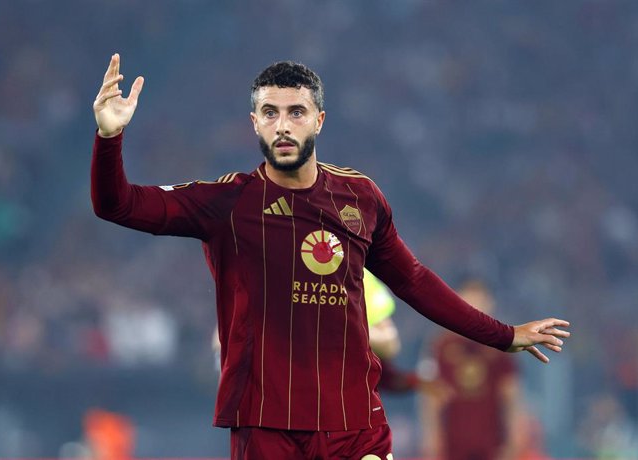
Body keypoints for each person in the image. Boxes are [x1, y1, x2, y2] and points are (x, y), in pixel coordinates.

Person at [91, 54, 570, 460]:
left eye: (296, 112)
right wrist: (109, 137)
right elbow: (118, 204)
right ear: (254, 122)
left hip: (353, 423)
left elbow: (414, 281)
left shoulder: (360, 199)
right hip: (265, 424)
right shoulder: (227, 203)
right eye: (270, 112)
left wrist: (503, 335)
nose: (283, 125)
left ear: (319, 119)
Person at [418, 278, 525, 460]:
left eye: (479, 303)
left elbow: (511, 396)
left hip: (492, 443)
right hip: (453, 444)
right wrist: (431, 436)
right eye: (469, 303)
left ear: (489, 304)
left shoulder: (502, 347)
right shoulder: (440, 346)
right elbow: (430, 398)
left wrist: (515, 436)